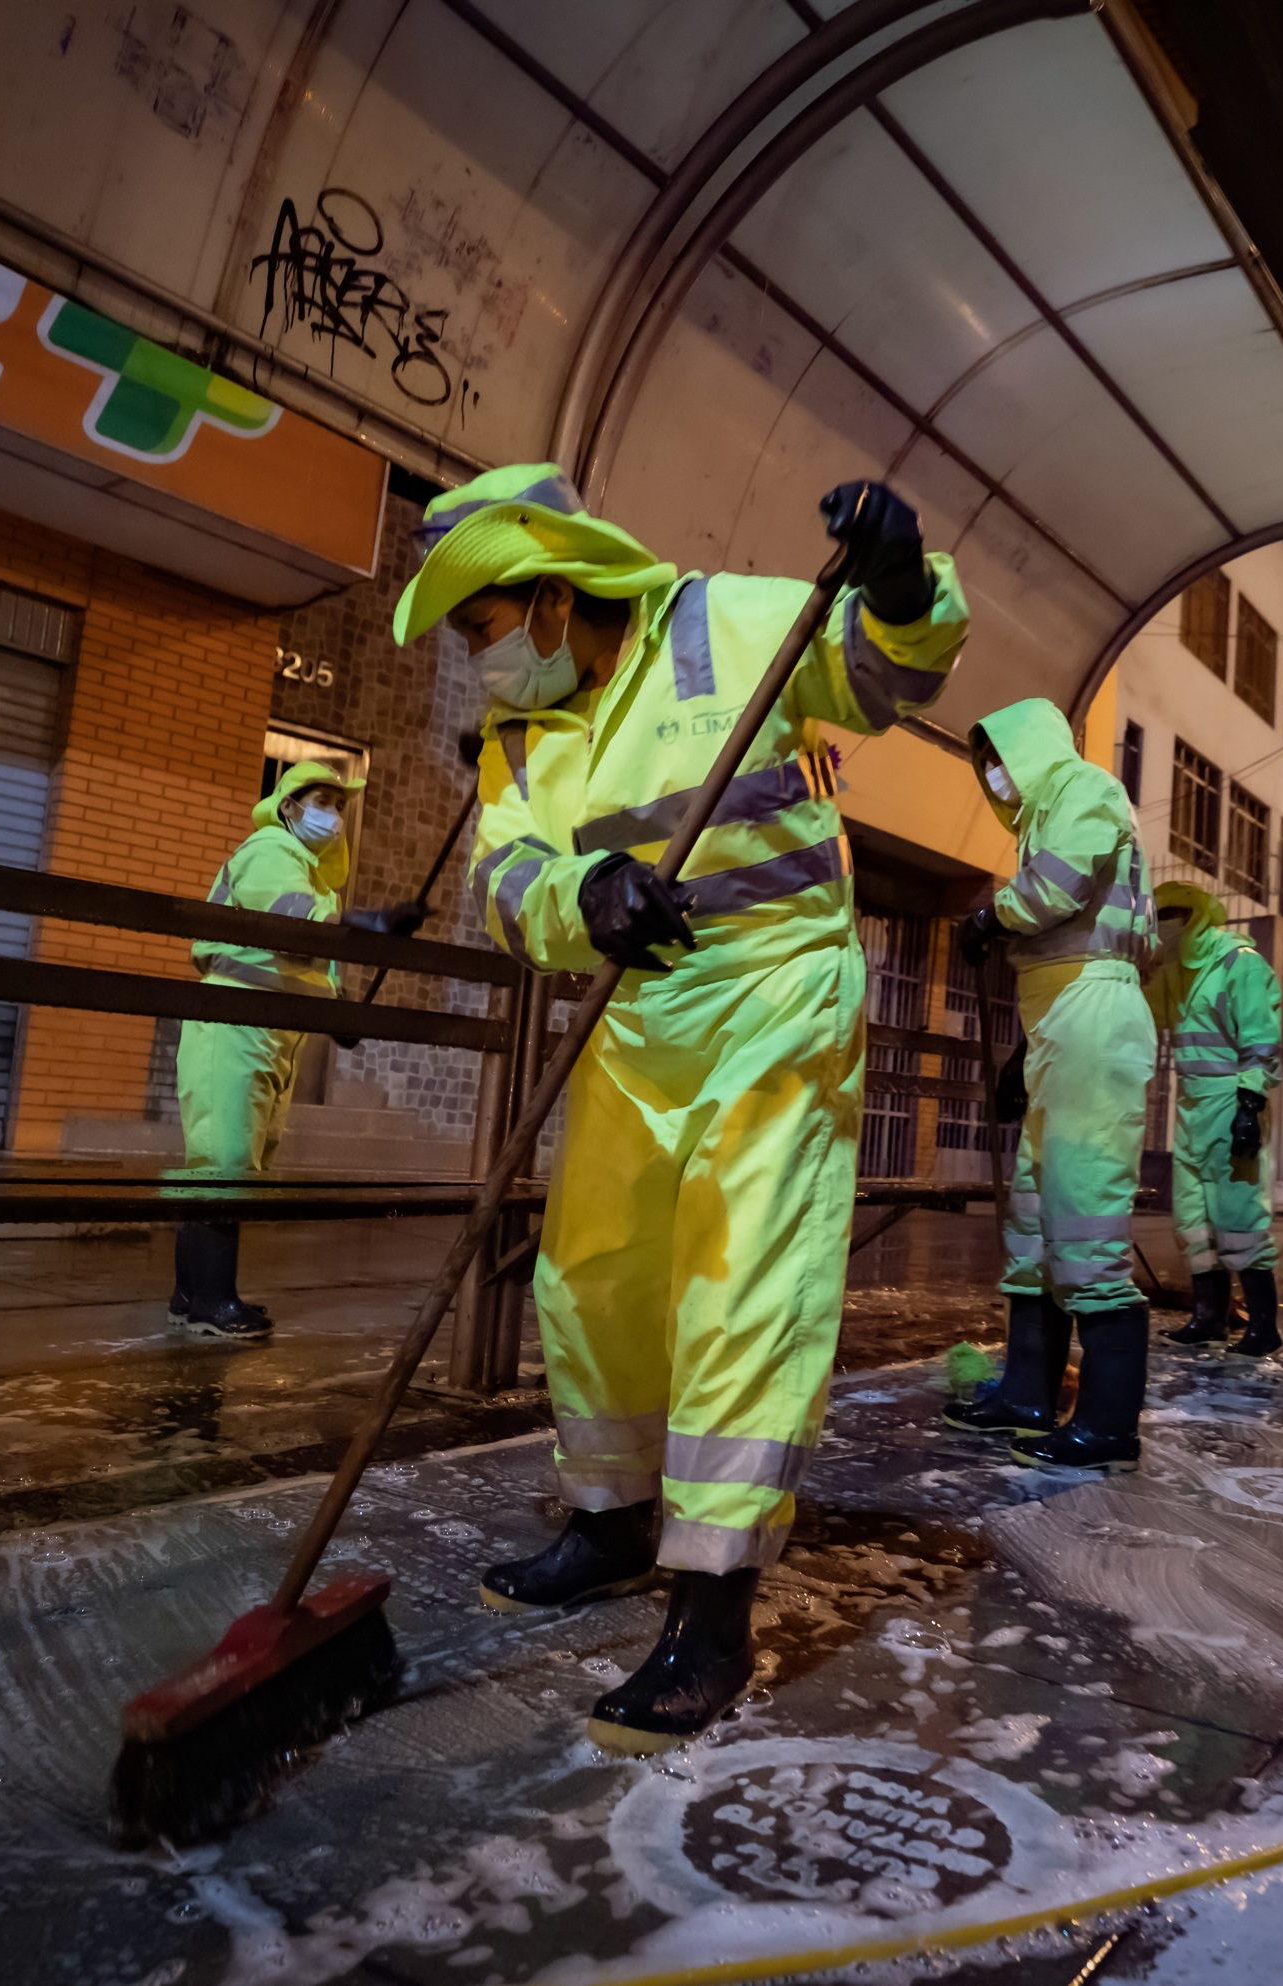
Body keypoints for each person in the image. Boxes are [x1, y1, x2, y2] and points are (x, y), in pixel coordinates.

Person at [389, 462, 966, 1752]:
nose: (476, 661)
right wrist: (581, 899)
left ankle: (710, 1611)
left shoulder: (735, 624)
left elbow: (890, 674)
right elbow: (507, 882)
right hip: (636, 1020)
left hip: (774, 998)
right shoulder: (521, 738)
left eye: (479, 629)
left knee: (737, 1284)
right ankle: (607, 1523)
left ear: (546, 595)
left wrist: (897, 579)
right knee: (590, 1271)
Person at [936, 697, 1157, 1471]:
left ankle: (1106, 1424)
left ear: (1025, 747)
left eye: (996, 756)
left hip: (1091, 1014)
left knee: (1085, 1222)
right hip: (1060, 1019)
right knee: (1034, 1226)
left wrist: (991, 918)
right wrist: (1020, 1058)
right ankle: (1026, 1393)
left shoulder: (1083, 789)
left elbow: (1059, 887)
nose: (992, 776)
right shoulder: (1046, 811)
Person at [170, 759, 368, 1339]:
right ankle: (210, 1299)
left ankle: (194, 1294)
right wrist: (365, 925)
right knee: (223, 1160)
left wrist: (336, 1007)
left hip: (266, 1030)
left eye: (339, 804)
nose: (332, 814)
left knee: (235, 1161)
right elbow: (292, 928)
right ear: (288, 805)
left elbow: (307, 966)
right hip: (235, 1022)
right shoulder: (269, 851)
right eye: (322, 800)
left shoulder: (310, 872)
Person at [1146, 882, 1283, 1355]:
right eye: (1159, 912)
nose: (1166, 920)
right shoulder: (1176, 968)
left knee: (1238, 1217)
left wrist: (1250, 1104)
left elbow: (1261, 1040)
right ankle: (1209, 1319)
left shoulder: (1238, 962)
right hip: (1191, 1106)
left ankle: (1263, 1327)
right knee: (1193, 1219)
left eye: (1175, 913)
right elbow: (1151, 1013)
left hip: (1229, 1101)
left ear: (1200, 915)